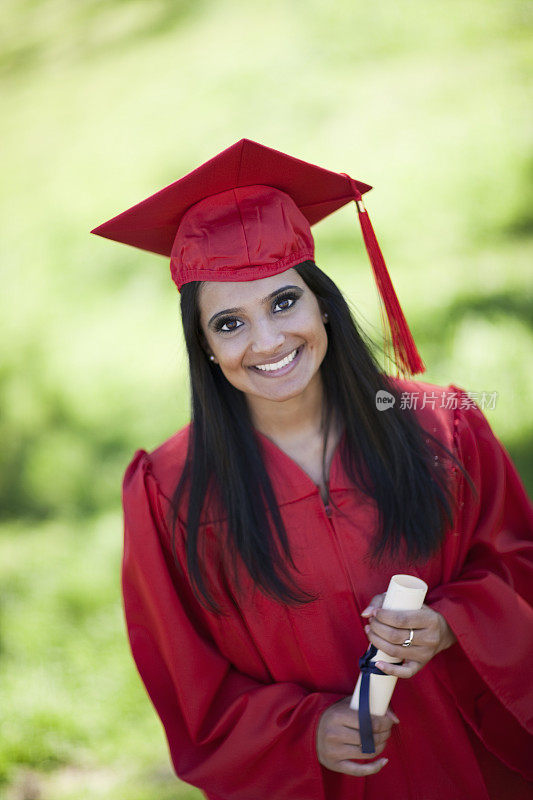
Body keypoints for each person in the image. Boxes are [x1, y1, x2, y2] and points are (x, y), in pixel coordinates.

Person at [92, 139, 533, 800]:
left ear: (320, 301)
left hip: (473, 768)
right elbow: (188, 682)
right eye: (229, 323)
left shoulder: (443, 425)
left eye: (282, 303)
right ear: (204, 347)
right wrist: (302, 732)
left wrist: (450, 623)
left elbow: (519, 566)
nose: (267, 342)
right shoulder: (171, 492)